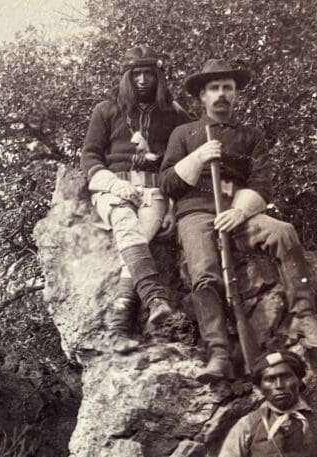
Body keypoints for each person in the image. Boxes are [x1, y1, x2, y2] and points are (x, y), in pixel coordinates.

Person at [160, 59, 317, 382]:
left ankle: (304, 318)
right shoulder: (183, 133)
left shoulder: (251, 137)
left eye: (227, 88)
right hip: (196, 213)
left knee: (283, 232)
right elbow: (167, 183)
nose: (221, 94)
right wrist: (198, 157)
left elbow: (261, 185)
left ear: (236, 94)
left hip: (238, 212)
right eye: (214, 88)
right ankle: (218, 353)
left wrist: (240, 211)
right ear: (202, 96)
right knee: (204, 271)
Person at [81, 46, 191, 352]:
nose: (142, 80)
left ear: (158, 77)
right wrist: (113, 185)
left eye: (148, 73)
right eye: (136, 74)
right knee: (126, 223)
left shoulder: (174, 114)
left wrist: (173, 207)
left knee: (136, 239)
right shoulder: (106, 110)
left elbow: (183, 163)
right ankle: (155, 298)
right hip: (113, 189)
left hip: (154, 192)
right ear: (127, 77)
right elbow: (90, 156)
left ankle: (119, 325)